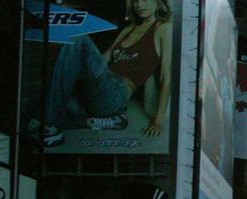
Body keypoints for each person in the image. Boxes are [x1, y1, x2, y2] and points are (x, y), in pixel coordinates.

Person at [33, 0, 174, 147]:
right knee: (42, 107)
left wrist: (158, 121)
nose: (139, 5)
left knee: (78, 38)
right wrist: (81, 65)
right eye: (135, 0)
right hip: (100, 88)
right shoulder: (128, 30)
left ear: (158, 2)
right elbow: (105, 57)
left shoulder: (164, 29)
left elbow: (166, 76)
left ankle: (50, 127)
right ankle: (111, 121)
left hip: (117, 93)